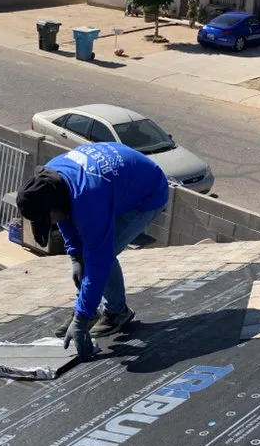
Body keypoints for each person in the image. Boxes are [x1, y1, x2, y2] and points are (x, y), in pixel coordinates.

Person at [16, 143, 169, 361]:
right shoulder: (51, 181)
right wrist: (75, 256)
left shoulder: (88, 200)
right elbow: (65, 218)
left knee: (103, 254)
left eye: (47, 218)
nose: (50, 224)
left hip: (147, 193)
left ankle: (117, 313)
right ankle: (90, 310)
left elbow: (99, 260)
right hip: (118, 183)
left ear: (54, 206)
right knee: (88, 257)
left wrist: (81, 317)